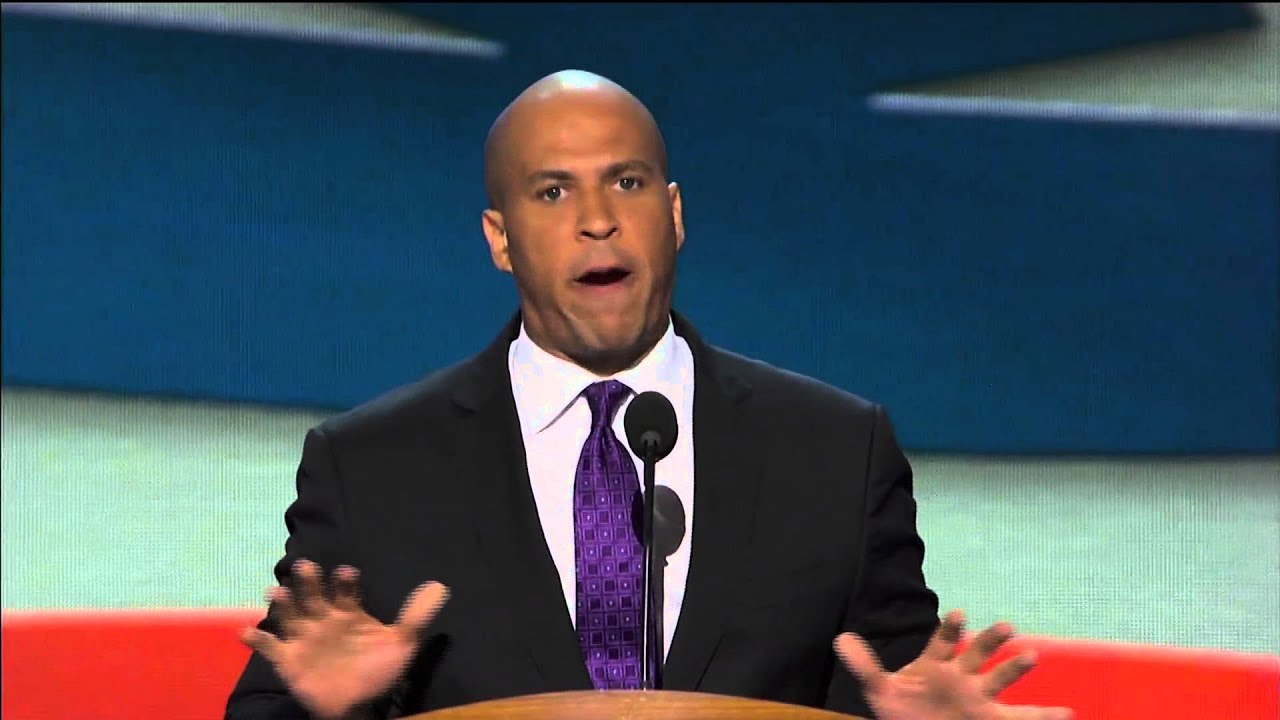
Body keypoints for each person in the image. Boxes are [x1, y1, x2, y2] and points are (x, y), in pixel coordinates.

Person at [225, 69, 1072, 720]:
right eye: (552, 192)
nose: (598, 218)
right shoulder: (372, 467)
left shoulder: (835, 453)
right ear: (500, 240)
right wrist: (324, 712)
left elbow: (885, 685)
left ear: (673, 216)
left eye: (626, 183)